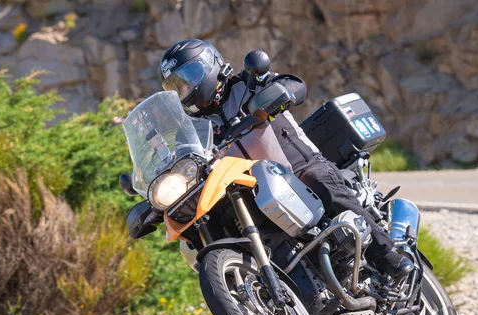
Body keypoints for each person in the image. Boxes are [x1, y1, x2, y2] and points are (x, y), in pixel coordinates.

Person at [156, 39, 413, 280]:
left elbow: (295, 85)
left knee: (320, 183)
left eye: (188, 81)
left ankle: (389, 256)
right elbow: (182, 161)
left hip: (298, 168)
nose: (185, 91)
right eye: (177, 88)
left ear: (209, 66)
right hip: (254, 193)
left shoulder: (247, 84)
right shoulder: (191, 129)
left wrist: (278, 96)